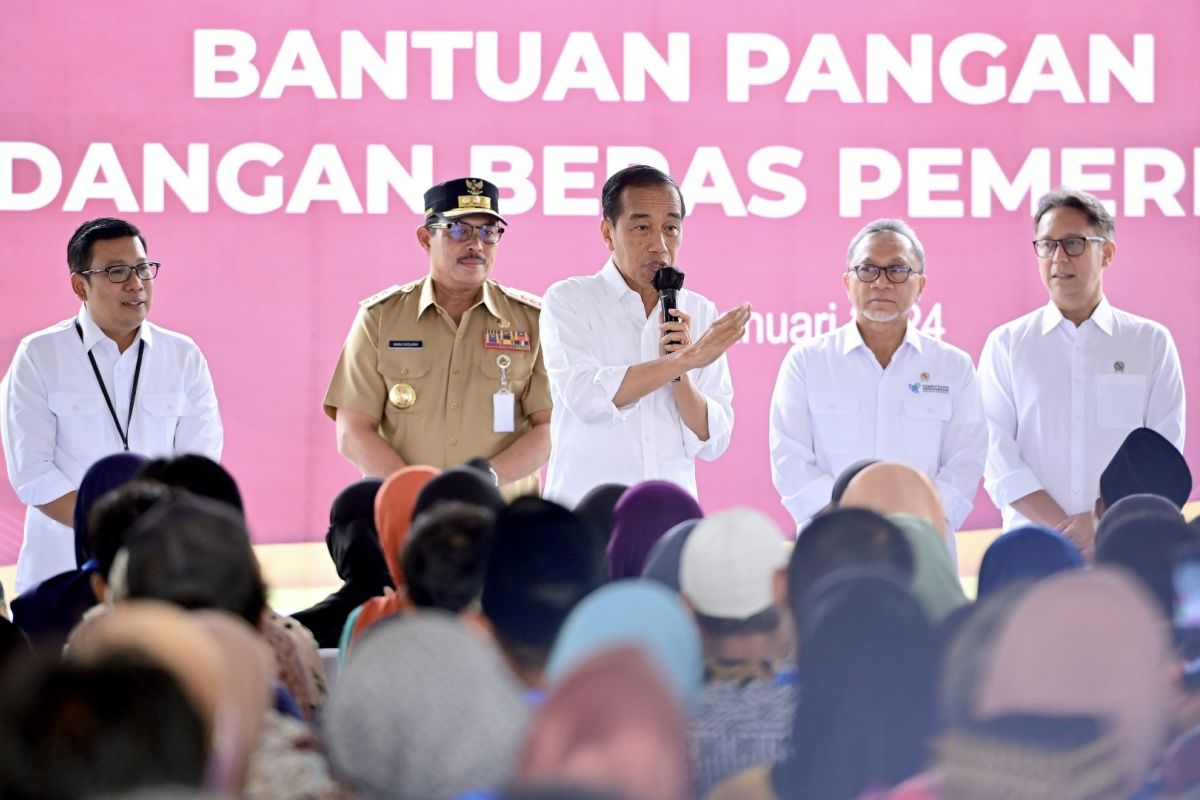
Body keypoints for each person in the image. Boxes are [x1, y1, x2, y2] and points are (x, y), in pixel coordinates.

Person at [0, 217, 222, 591]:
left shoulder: (183, 356)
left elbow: (198, 465)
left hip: (161, 569)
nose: (136, 283)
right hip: (62, 573)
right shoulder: (39, 355)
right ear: (79, 285)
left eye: (142, 268)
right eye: (117, 271)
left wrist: (149, 535)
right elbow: (33, 474)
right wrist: (112, 532)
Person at [979, 188, 1185, 553]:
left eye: (1073, 243)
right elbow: (995, 453)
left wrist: (1097, 526)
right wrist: (1066, 531)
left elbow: (1160, 454)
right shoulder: (1007, 344)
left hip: (1123, 547)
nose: (1058, 257)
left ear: (1107, 252)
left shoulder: (1149, 342)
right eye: (1047, 245)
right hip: (1033, 548)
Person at [323, 177, 551, 497]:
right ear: (425, 238)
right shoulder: (381, 318)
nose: (476, 245)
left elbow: (550, 428)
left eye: (489, 232)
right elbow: (352, 430)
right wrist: (414, 490)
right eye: (459, 230)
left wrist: (486, 478)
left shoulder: (534, 321)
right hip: (407, 517)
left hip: (504, 521)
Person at [540, 165, 751, 506]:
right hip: (586, 515)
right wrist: (686, 359)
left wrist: (681, 371)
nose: (659, 244)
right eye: (641, 227)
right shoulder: (570, 299)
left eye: (671, 227)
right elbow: (585, 397)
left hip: (670, 514)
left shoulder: (698, 310)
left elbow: (713, 440)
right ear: (608, 233)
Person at [769, 218, 986, 539]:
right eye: (867, 269)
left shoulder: (954, 366)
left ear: (921, 285)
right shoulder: (807, 361)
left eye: (897, 270)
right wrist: (852, 518)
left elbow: (966, 463)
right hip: (832, 540)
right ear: (847, 282)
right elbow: (789, 460)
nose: (881, 283)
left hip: (921, 540)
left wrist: (911, 518)